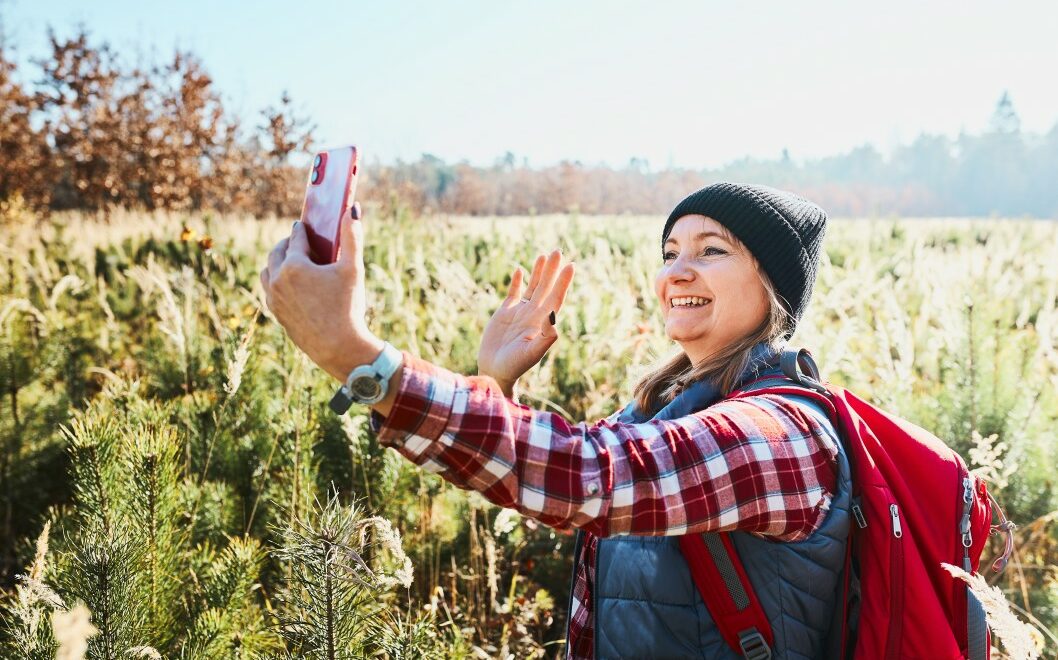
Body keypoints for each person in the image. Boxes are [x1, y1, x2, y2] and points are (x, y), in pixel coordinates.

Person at [260, 182, 850, 659]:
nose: (676, 272)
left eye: (712, 250)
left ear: (773, 287)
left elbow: (590, 476)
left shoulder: (779, 435)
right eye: (671, 252)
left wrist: (360, 359)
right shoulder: (663, 410)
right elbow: (569, 499)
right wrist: (497, 386)